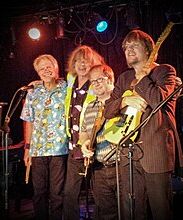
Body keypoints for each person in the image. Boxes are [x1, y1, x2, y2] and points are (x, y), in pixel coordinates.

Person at [103, 29, 183, 220]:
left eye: (134, 46)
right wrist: (124, 101)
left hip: (155, 150)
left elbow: (158, 101)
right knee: (131, 208)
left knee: (160, 209)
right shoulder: (123, 78)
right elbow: (107, 110)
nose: (129, 50)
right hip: (127, 152)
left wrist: (142, 76)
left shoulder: (164, 71)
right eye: (126, 47)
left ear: (148, 50)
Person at [20, 54, 69, 220]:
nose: (46, 70)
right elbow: (29, 121)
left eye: (49, 66)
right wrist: (27, 149)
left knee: (57, 193)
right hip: (38, 149)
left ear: (56, 68)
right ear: (38, 73)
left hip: (60, 148)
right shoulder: (33, 92)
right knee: (39, 192)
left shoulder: (66, 87)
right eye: (42, 69)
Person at [79, 63, 129, 220]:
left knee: (129, 212)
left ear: (110, 79)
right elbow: (83, 133)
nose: (96, 84)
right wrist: (85, 144)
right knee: (107, 214)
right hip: (99, 170)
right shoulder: (89, 107)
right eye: (93, 81)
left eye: (99, 79)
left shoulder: (124, 101)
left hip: (122, 168)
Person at [63, 45, 106, 220]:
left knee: (99, 193)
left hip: (93, 143)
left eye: (86, 62)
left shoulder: (96, 83)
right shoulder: (70, 80)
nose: (82, 65)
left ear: (93, 64)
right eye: (78, 61)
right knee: (70, 192)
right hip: (74, 144)